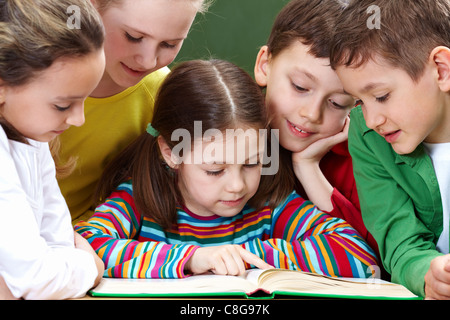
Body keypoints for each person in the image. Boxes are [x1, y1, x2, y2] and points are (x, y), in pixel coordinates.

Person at [75, 59, 378, 279]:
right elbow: (84, 248)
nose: (237, 185)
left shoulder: (269, 201)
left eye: (252, 163)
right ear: (172, 153)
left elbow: (358, 254)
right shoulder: (139, 199)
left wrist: (250, 257)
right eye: (215, 169)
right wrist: (193, 258)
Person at [329, 0, 450, 299]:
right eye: (358, 101)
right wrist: (427, 274)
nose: (371, 119)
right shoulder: (368, 134)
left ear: (441, 69)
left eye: (381, 96)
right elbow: (398, 238)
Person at [57, 0, 211, 223]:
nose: (148, 60)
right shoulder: (28, 64)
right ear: (90, 7)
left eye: (169, 44)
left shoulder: (162, 96)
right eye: (133, 37)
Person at [253, 0, 381, 267]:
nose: (312, 114)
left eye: (337, 103)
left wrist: (308, 168)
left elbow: (369, 262)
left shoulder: (363, 160)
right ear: (265, 65)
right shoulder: (220, 135)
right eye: (300, 87)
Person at [0, 0, 105, 299]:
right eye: (62, 105)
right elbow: (39, 280)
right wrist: (90, 268)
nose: (78, 119)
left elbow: (58, 245)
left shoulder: (33, 137)